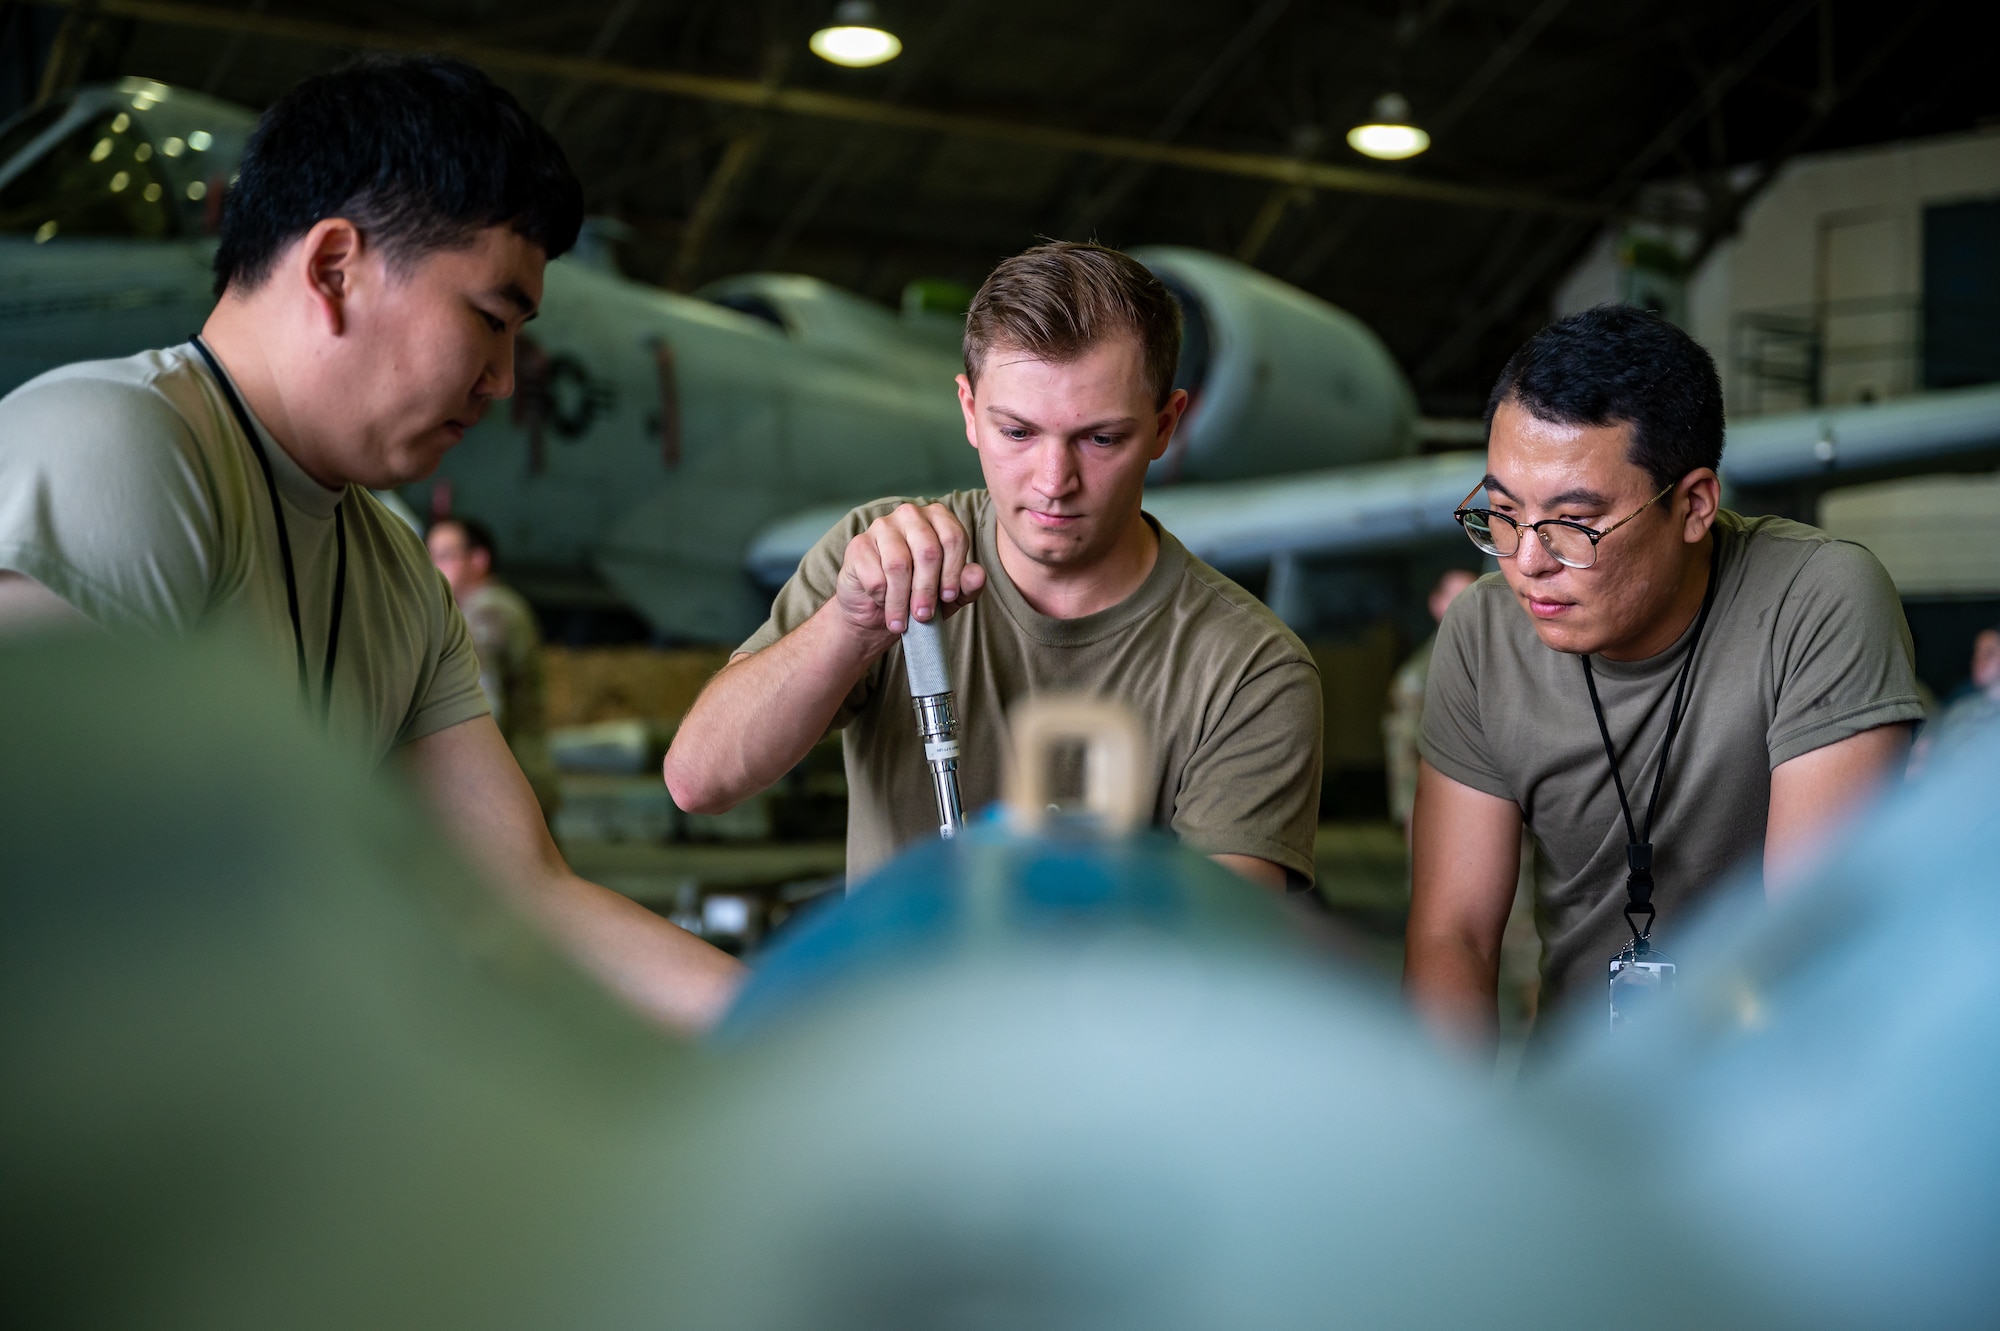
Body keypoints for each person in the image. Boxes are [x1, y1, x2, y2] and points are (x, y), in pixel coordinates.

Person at [0, 56, 741, 1032]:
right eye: (488, 319)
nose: (504, 380)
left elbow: (522, 894)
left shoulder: (396, 574)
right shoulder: (118, 447)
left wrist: (806, 1031)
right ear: (335, 266)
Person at [664, 242, 1323, 890]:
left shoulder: (1248, 668)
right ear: (969, 411)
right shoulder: (879, 559)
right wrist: (851, 626)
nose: (1053, 481)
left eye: (1100, 438)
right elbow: (700, 780)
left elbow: (1220, 958)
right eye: (1017, 432)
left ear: (1165, 425)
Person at [1405, 305, 1922, 1052]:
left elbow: (1807, 944)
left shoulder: (1818, 598)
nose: (1527, 561)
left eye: (1574, 525)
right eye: (1504, 514)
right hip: (1578, 1103)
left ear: (1693, 505)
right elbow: (1455, 937)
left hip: (1771, 1089)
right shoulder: (1484, 632)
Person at [426, 516, 561, 821]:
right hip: (522, 780)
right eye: (430, 555)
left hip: (501, 792)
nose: (434, 567)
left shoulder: (484, 614)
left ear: (479, 559)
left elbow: (482, 712)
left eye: (445, 556)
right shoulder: (506, 605)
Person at [1382, 568, 1479, 834]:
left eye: (1473, 597)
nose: (1467, 607)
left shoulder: (1497, 662)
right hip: (1444, 814)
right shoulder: (1418, 676)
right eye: (1456, 597)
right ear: (1437, 604)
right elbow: (1404, 747)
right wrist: (1412, 813)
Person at [1908, 626, 2000, 777]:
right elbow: (1927, 753)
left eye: (1989, 653)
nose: (1979, 660)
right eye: (1976, 653)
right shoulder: (1961, 706)